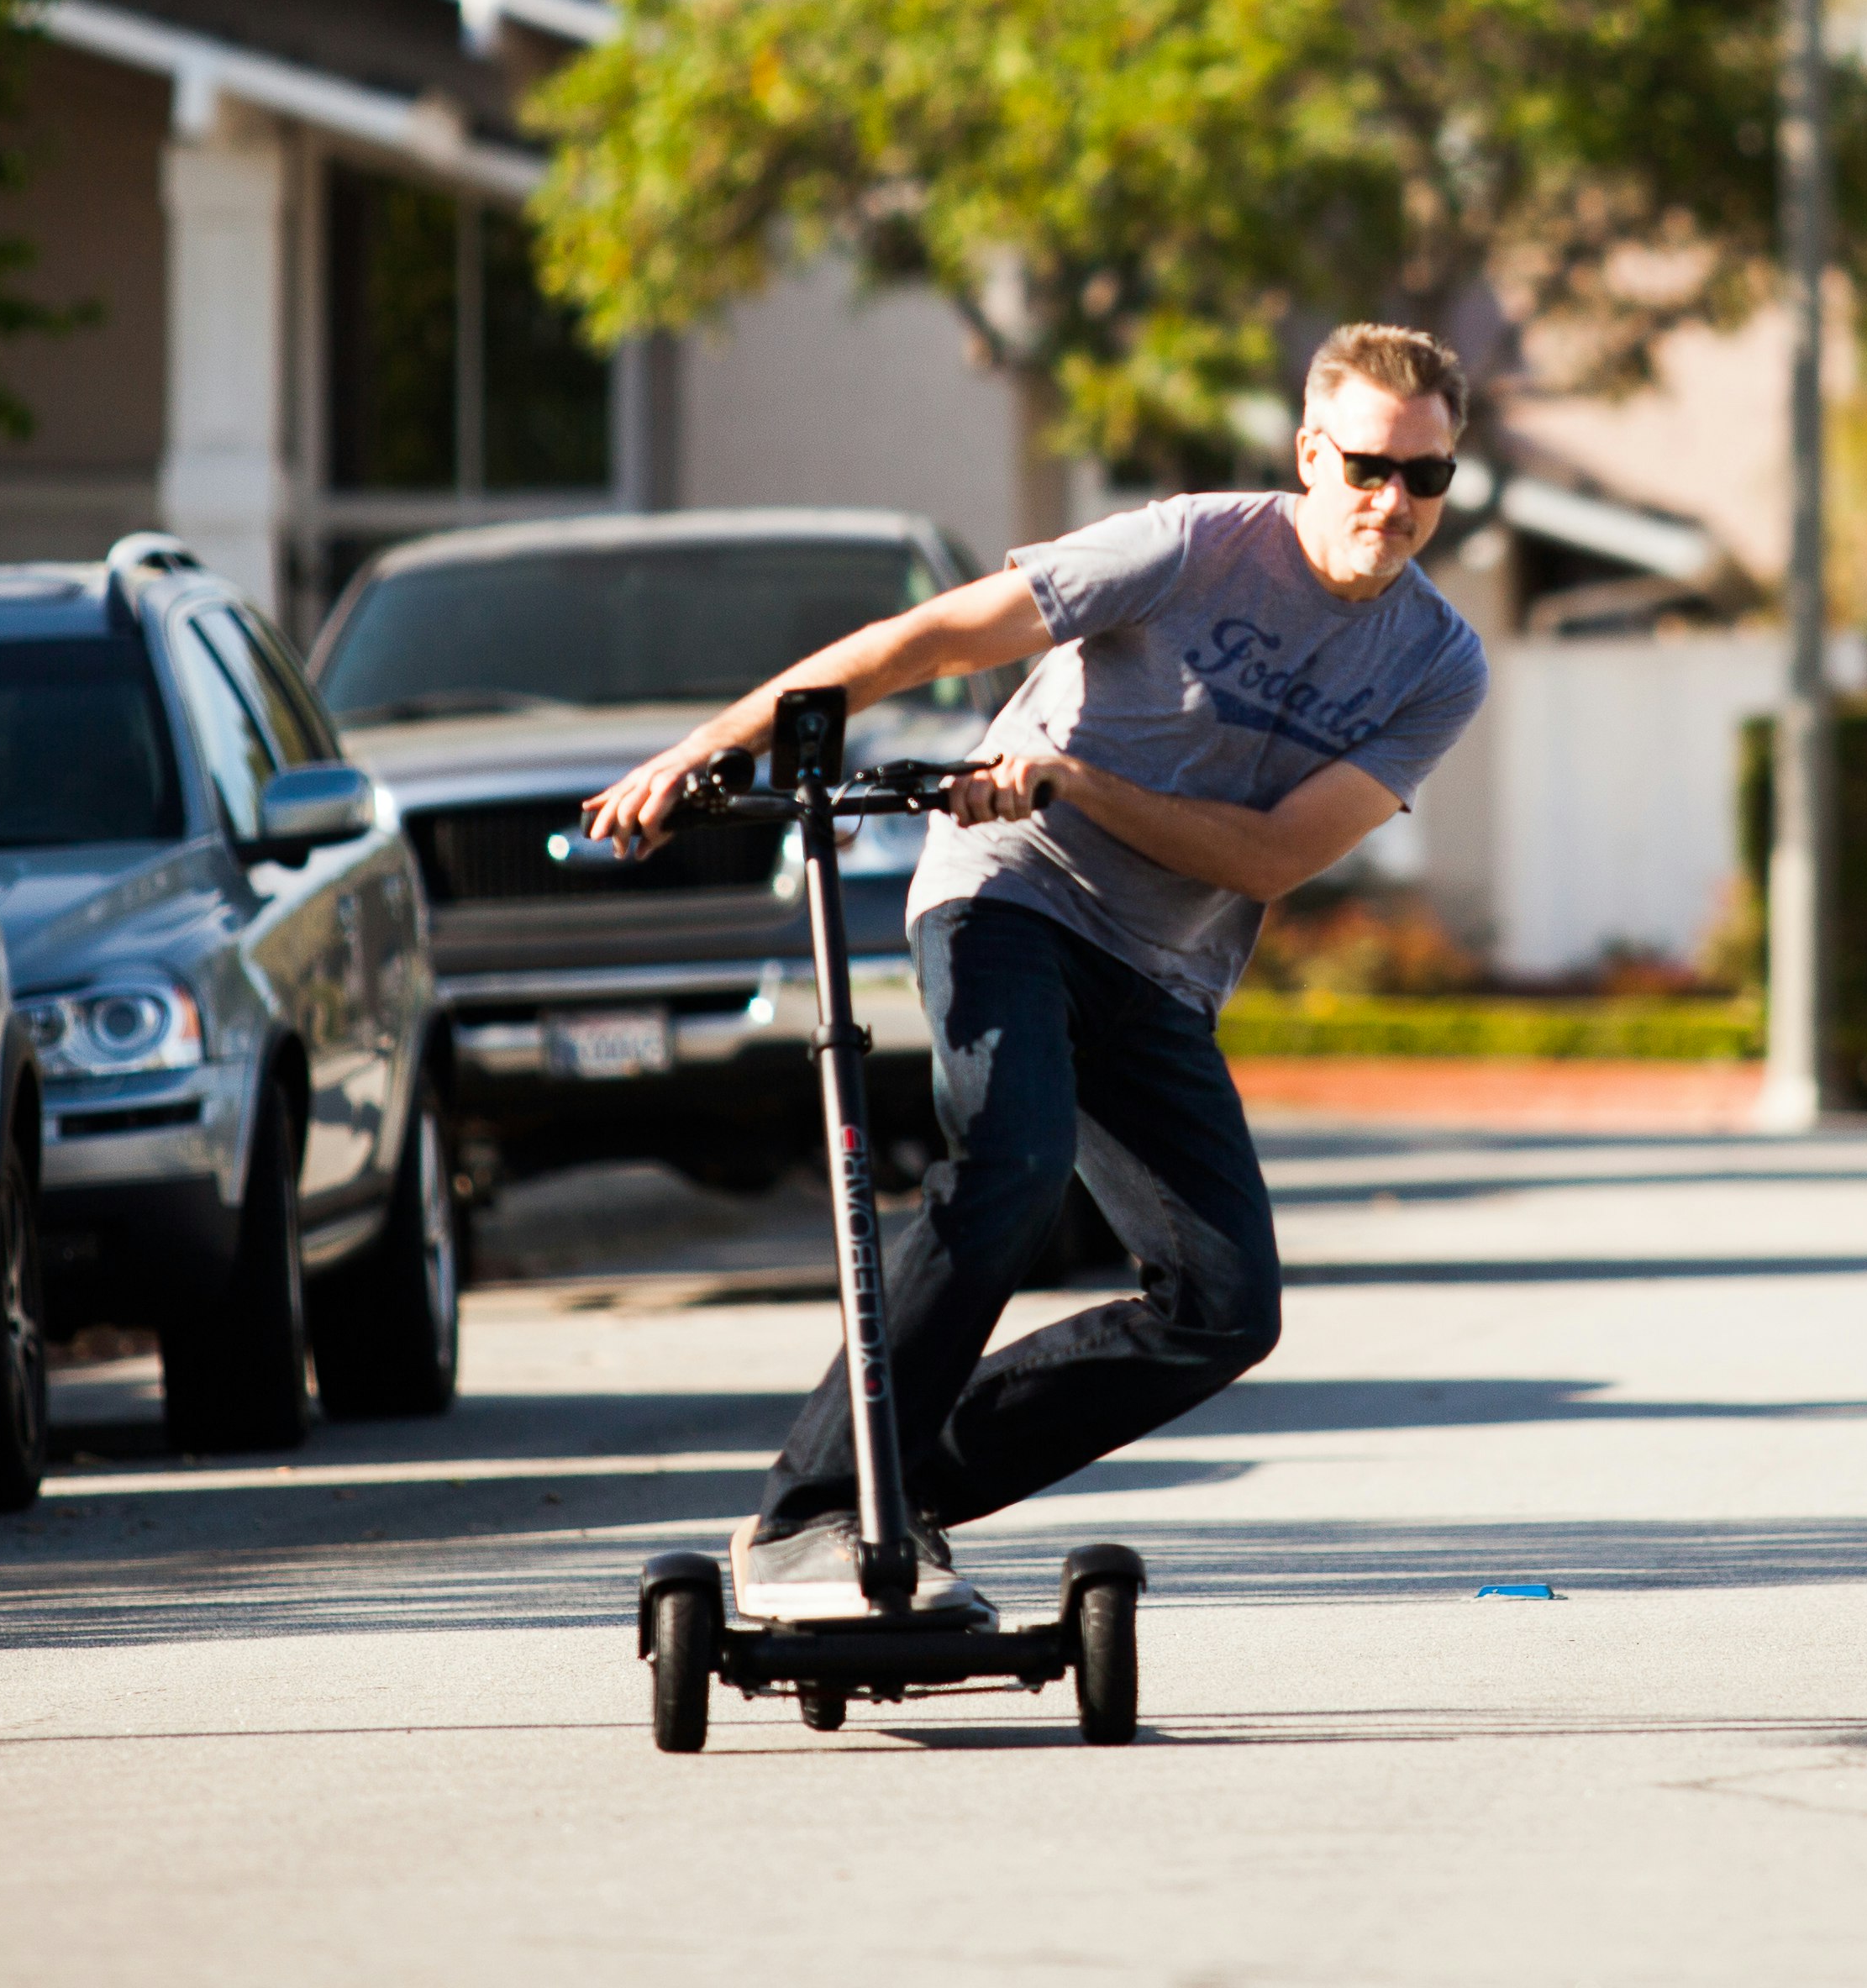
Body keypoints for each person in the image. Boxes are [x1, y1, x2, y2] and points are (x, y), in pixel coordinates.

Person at [579, 320, 1494, 1622]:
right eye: (1366, 468)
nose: (1393, 504)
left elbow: (1274, 858)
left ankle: (899, 1503)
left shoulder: (1438, 662)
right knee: (1011, 1162)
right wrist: (703, 752)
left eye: (1428, 479)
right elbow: (929, 640)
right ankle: (807, 1515)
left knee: (1226, 1306)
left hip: (1159, 969)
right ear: (1309, 453)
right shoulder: (1187, 544)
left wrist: (1079, 779)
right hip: (1006, 891)